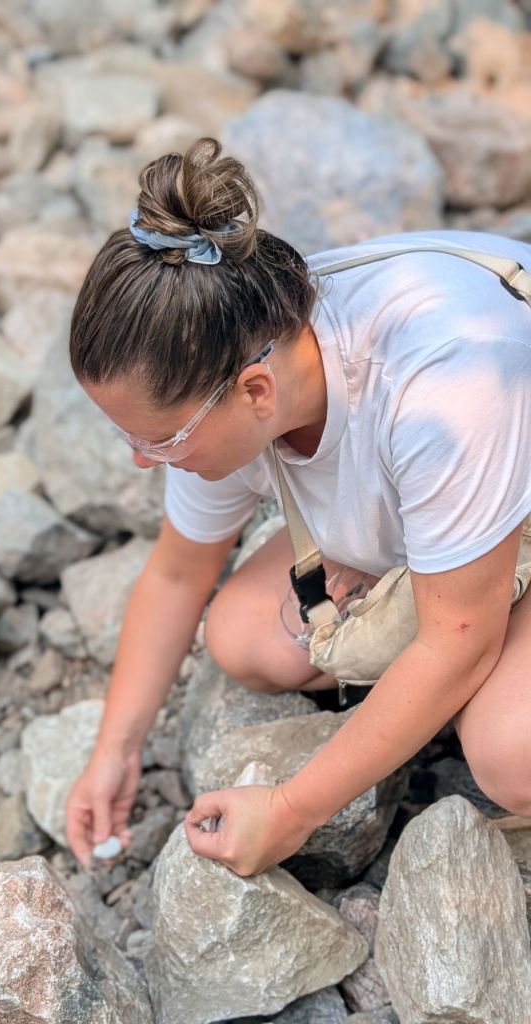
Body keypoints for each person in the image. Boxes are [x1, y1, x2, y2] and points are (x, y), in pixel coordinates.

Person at [65, 137, 531, 876]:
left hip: (503, 452)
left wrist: (289, 811)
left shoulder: (436, 385)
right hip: (465, 484)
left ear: (256, 392)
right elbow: (180, 573)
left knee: (511, 752)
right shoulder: (227, 345)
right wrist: (114, 752)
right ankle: (445, 610)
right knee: (244, 634)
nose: (140, 459)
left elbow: (456, 645)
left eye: (159, 439)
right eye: (127, 434)